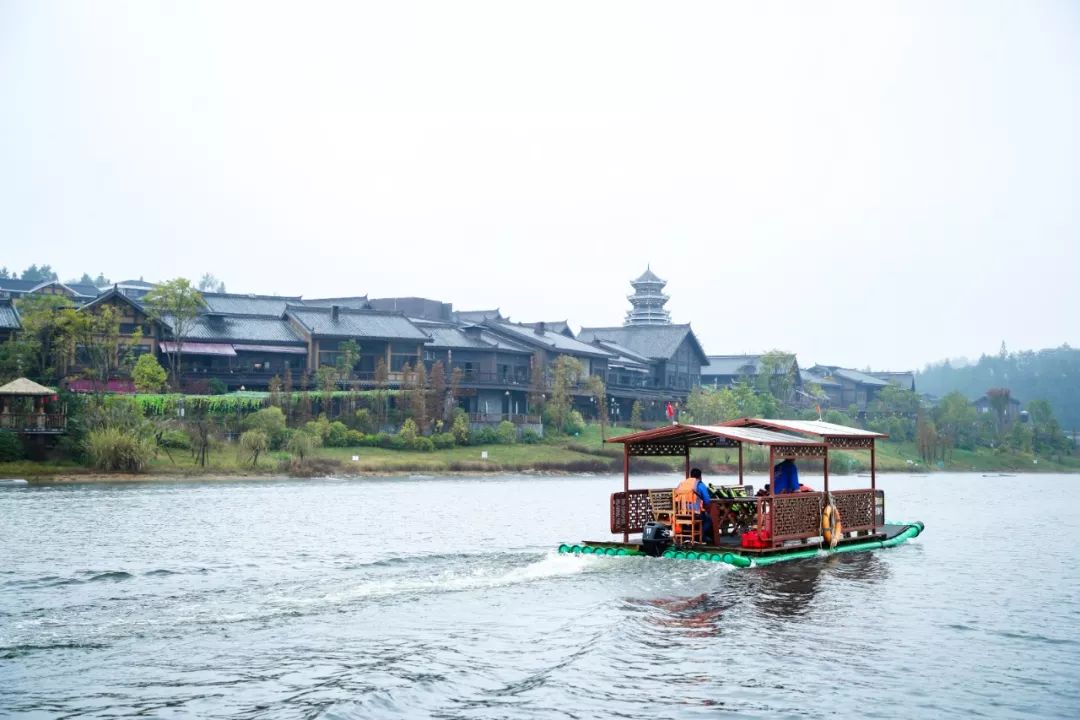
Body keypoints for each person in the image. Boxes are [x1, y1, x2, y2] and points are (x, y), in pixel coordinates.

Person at [673, 467, 713, 539]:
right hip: (695, 514)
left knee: (699, 518)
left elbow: (675, 497)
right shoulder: (700, 485)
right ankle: (699, 536)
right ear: (700, 477)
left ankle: (687, 537)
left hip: (680, 513)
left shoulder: (682, 484)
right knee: (709, 519)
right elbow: (707, 501)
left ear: (690, 476)